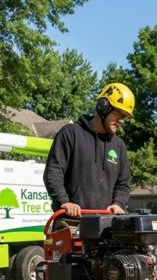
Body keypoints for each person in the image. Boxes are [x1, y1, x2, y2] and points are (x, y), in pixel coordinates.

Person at [43, 83, 134, 219]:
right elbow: (53, 172)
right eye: (118, 114)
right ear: (103, 107)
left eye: (124, 116)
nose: (121, 121)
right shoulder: (71, 134)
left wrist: (118, 203)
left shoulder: (119, 146)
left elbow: (123, 183)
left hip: (105, 224)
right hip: (71, 221)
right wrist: (64, 202)